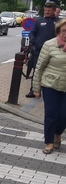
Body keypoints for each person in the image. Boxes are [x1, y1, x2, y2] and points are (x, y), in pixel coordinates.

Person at [31, 18, 66, 154]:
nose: (65, 34)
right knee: (52, 114)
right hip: (51, 84)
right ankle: (49, 142)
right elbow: (39, 68)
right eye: (63, 31)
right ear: (58, 31)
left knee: (64, 115)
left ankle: (58, 134)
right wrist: (36, 88)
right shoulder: (49, 45)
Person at [26, 0, 59, 98]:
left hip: (54, 52)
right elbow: (32, 33)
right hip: (39, 51)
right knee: (37, 70)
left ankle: (48, 91)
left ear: (54, 11)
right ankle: (33, 90)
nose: (47, 12)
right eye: (46, 10)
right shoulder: (39, 21)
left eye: (49, 10)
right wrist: (34, 41)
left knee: (51, 71)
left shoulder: (58, 22)